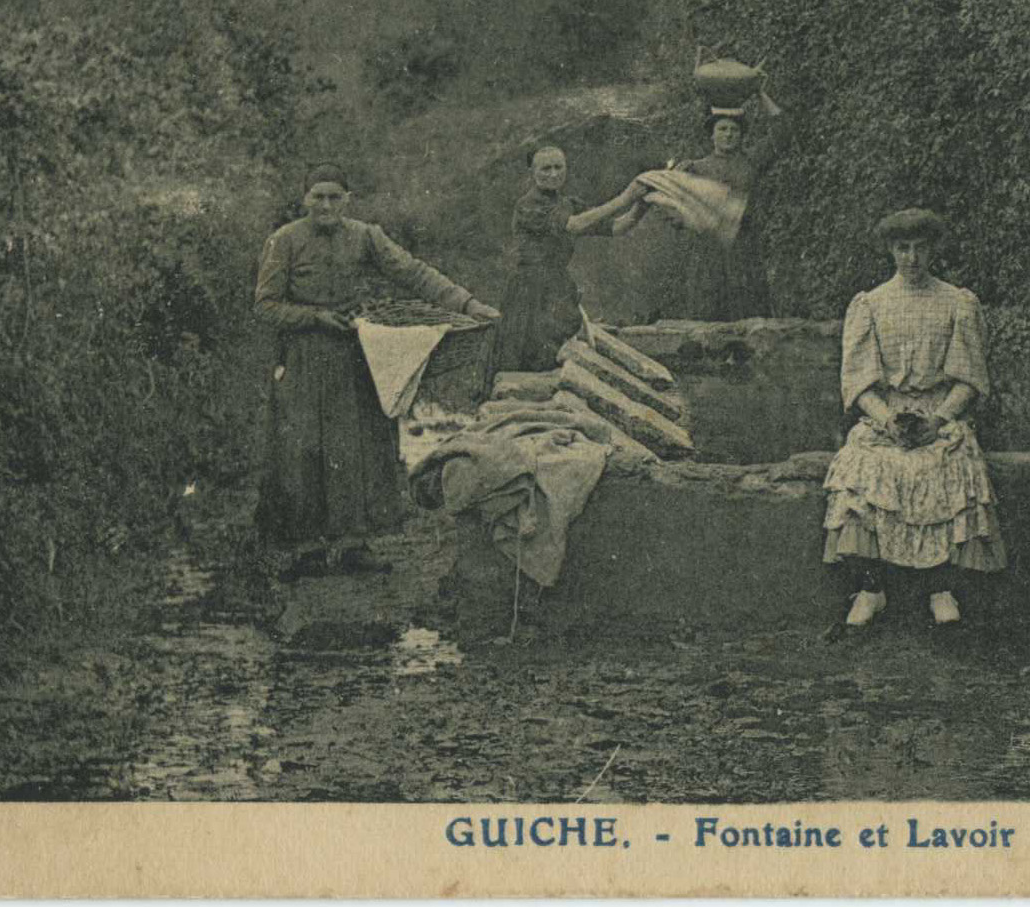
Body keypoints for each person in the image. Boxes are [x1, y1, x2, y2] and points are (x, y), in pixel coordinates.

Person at [254, 163, 500, 580]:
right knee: (304, 452)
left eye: (335, 197)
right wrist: (314, 317)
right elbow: (265, 305)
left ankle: (354, 544)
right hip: (304, 359)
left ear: (348, 200)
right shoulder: (285, 241)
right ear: (305, 200)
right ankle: (307, 549)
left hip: (356, 357)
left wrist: (468, 304)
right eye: (318, 197)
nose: (326, 205)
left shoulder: (366, 236)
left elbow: (414, 273)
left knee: (357, 450)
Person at [821, 208, 1006, 627]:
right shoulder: (872, 304)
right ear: (890, 251)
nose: (912, 258)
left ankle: (941, 588)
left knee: (949, 462)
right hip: (887, 417)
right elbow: (860, 384)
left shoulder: (956, 302)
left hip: (938, 416)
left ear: (933, 250)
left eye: (920, 249)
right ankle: (871, 589)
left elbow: (969, 379)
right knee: (864, 465)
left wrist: (938, 420)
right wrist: (887, 420)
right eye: (902, 249)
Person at [620, 90, 783, 320]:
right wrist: (683, 218)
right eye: (722, 129)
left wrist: (759, 93)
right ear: (712, 135)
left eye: (734, 130)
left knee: (750, 313)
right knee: (708, 316)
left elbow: (782, 132)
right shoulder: (694, 168)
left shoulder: (751, 162)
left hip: (744, 249)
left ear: (742, 135)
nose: (728, 135)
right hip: (707, 252)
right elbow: (664, 197)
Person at [490, 144, 648, 377]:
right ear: (532, 173)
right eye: (545, 169)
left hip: (557, 288)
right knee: (527, 361)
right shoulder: (528, 205)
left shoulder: (568, 204)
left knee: (559, 359)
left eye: (558, 167)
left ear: (566, 169)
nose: (553, 174)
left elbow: (616, 227)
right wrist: (625, 197)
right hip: (530, 292)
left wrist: (642, 204)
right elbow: (574, 225)